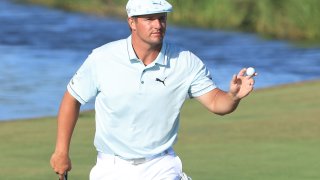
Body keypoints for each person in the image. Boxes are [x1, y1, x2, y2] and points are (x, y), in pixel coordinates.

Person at [50, 0, 257, 179]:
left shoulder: (185, 61)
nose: (158, 25)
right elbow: (73, 98)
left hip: (160, 165)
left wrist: (233, 96)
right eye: (149, 19)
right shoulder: (102, 59)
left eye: (162, 18)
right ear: (132, 22)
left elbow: (215, 102)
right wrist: (61, 151)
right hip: (111, 167)